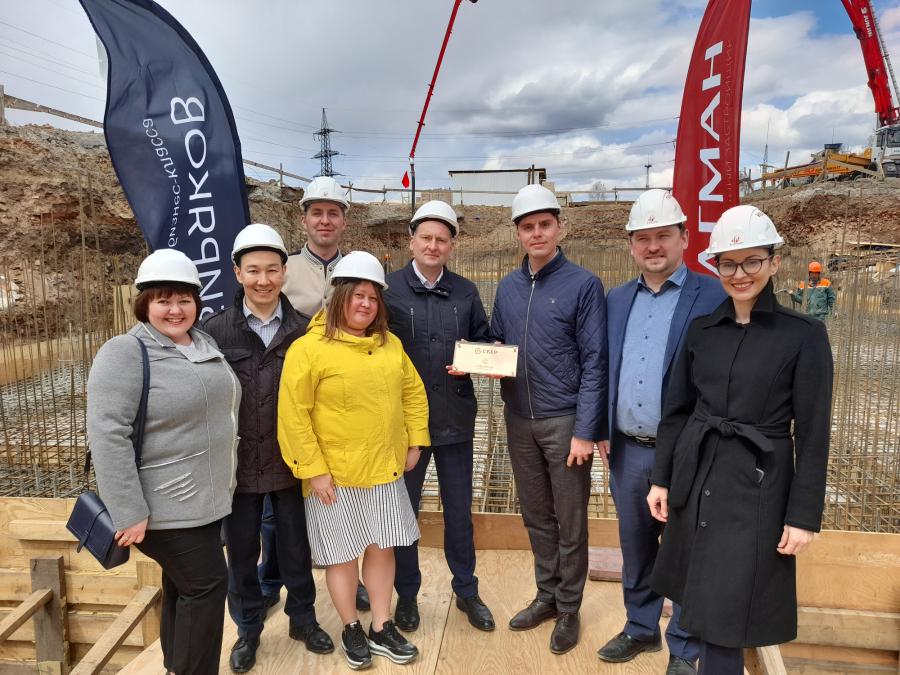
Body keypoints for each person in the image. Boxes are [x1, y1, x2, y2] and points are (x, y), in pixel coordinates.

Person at [647, 206, 833, 674]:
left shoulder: (804, 335)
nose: (740, 273)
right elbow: (676, 412)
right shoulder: (702, 330)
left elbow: (814, 434)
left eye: (752, 261)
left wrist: (802, 516)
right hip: (699, 476)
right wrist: (662, 479)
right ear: (716, 266)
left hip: (758, 487)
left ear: (774, 262)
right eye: (728, 263)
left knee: (728, 611)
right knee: (700, 597)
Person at [86, 249, 240, 675]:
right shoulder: (126, 351)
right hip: (162, 506)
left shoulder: (202, 342)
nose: (175, 310)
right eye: (163, 301)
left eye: (184, 300)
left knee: (182, 586)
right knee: (207, 585)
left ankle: (175, 666)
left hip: (205, 501)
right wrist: (128, 510)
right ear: (144, 304)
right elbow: (108, 432)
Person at [278, 251, 430, 670]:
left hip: (383, 469)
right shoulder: (309, 349)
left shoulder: (390, 345)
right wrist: (314, 471)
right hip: (334, 477)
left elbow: (413, 393)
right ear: (339, 296)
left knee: (382, 548)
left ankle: (381, 625)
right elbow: (293, 415)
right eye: (357, 295)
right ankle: (351, 627)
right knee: (342, 555)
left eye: (373, 297)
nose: (365, 304)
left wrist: (415, 440)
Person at [597, 190, 725, 675]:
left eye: (663, 236)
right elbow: (604, 367)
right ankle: (640, 626)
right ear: (631, 244)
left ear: (684, 238)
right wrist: (600, 428)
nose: (653, 246)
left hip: (689, 451)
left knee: (686, 545)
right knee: (635, 542)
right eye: (642, 238)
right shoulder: (617, 300)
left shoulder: (712, 296)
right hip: (628, 449)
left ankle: (685, 646)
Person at [202, 224, 332, 673]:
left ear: (284, 272)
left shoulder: (305, 330)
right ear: (237, 273)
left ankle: (303, 619)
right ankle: (248, 630)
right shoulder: (215, 331)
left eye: (272, 270)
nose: (263, 280)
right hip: (237, 466)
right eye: (253, 270)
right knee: (241, 552)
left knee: (296, 546)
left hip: (291, 462)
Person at [490, 184, 607, 655]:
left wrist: (585, 431)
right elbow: (497, 340)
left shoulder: (583, 285)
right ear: (518, 233)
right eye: (527, 226)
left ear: (559, 227)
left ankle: (570, 607)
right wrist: (482, 357)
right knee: (536, 514)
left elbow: (595, 361)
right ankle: (547, 595)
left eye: (544, 224)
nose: (536, 233)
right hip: (519, 418)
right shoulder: (508, 287)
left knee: (570, 518)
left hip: (564, 421)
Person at [384, 201, 495, 634]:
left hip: (455, 420)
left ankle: (466, 590)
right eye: (426, 237)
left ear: (452, 246)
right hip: (405, 426)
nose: (433, 245)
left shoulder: (465, 292)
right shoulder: (388, 289)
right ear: (411, 241)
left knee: (459, 512)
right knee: (403, 512)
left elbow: (485, 340)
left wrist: (478, 358)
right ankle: (407, 594)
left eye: (441, 239)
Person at [269, 175, 370, 611]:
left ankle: (352, 579)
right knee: (283, 500)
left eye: (333, 213)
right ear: (304, 220)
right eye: (317, 213)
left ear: (344, 221)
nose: (325, 220)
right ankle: (272, 581)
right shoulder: (285, 272)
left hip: (345, 407)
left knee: (348, 500)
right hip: (293, 397)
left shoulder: (360, 271)